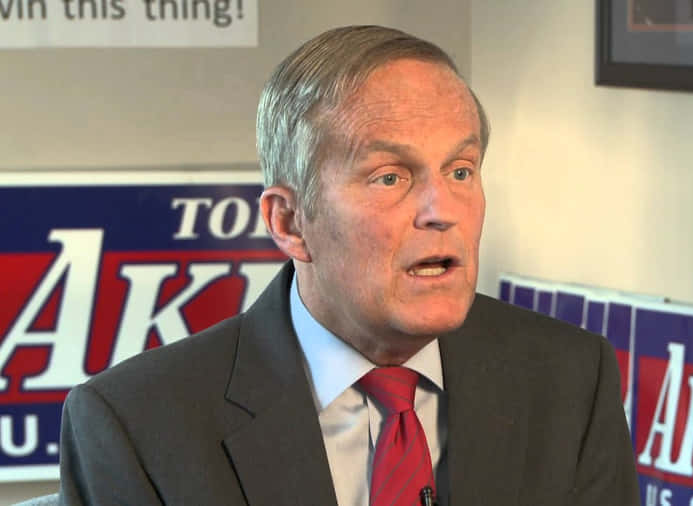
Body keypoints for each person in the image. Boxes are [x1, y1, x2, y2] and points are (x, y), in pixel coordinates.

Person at [58, 25, 639, 505]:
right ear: (290, 222)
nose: (442, 211)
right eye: (390, 177)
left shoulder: (570, 379)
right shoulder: (138, 426)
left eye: (460, 170)